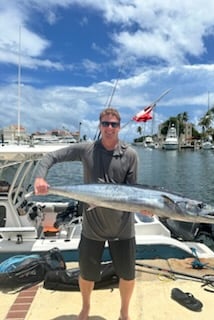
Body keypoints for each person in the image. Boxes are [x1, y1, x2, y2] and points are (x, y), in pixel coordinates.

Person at [34, 107, 139, 320]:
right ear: (99, 126)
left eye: (114, 124)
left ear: (119, 127)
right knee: (87, 274)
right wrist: (40, 177)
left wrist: (142, 206)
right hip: (93, 227)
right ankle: (85, 309)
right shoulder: (87, 149)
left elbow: (133, 192)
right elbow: (51, 157)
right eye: (105, 124)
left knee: (127, 275)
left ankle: (124, 313)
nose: (110, 128)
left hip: (123, 228)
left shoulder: (130, 154)